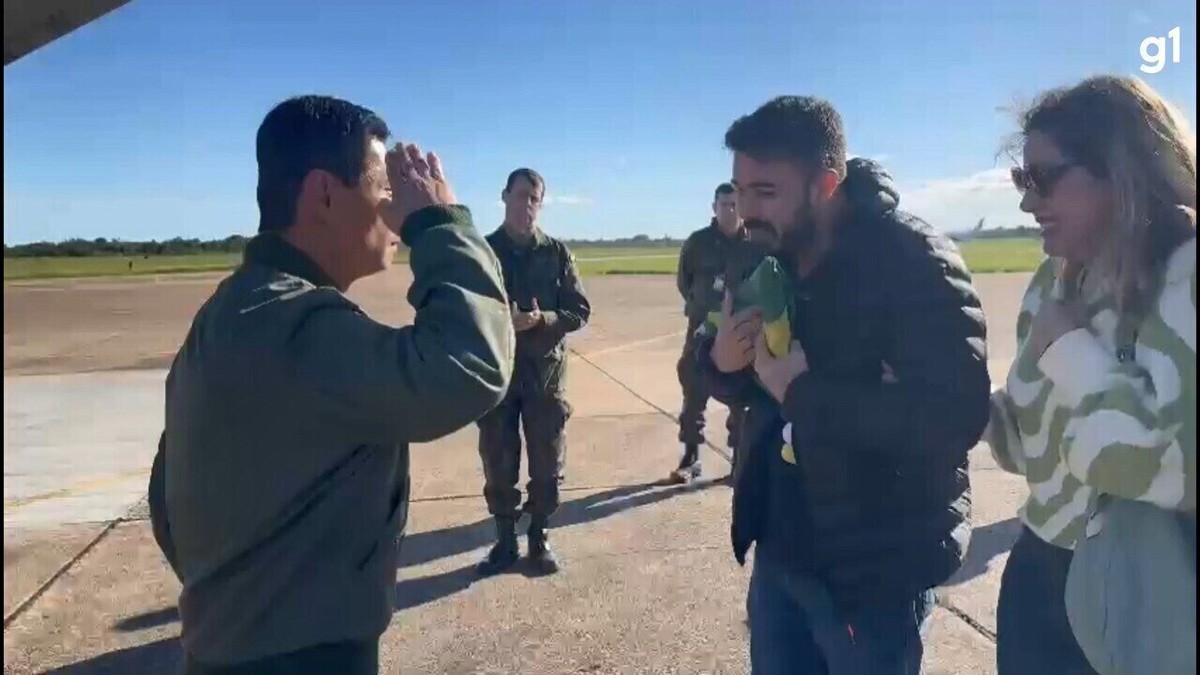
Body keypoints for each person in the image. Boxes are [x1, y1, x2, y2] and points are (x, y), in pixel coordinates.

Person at [147, 95, 514, 674]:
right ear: (322, 194)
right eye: (383, 188)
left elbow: (167, 496)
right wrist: (439, 222)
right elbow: (468, 367)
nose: (393, 210)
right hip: (298, 658)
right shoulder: (294, 324)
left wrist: (239, 591)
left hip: (238, 644)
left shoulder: (234, 311)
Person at [699, 96, 991, 674]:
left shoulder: (912, 261)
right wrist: (720, 362)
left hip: (871, 570)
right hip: (781, 551)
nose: (747, 210)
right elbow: (728, 371)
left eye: (766, 192)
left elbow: (953, 417)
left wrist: (802, 394)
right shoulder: (764, 255)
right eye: (739, 188)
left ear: (825, 184)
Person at [986, 75, 1196, 675]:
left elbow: (1172, 468)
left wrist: (1073, 350)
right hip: (1039, 570)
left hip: (1149, 586)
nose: (1028, 202)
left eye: (1044, 178)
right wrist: (949, 399)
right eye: (1022, 180)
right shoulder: (1054, 282)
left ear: (1123, 170)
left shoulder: (1186, 274)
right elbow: (1028, 450)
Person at [476, 168, 592, 576]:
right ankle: (504, 539)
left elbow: (580, 311)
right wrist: (501, 317)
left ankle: (539, 535)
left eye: (534, 198)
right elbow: (464, 306)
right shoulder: (484, 251)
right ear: (504, 196)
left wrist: (543, 318)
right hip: (497, 374)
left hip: (544, 377)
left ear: (540, 204)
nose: (526, 205)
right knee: (497, 457)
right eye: (520, 195)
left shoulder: (556, 253)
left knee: (547, 461)